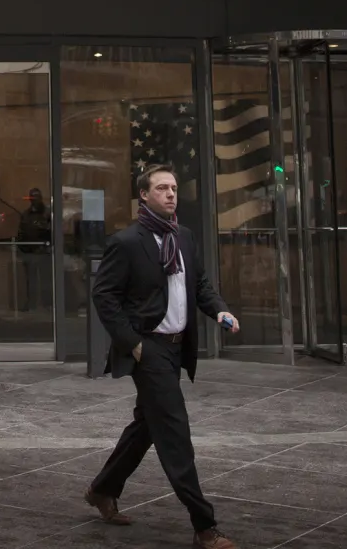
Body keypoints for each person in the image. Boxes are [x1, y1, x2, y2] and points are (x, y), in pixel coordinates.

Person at [84, 163, 241, 549]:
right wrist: (132, 343)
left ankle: (102, 490)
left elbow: (199, 283)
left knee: (148, 425)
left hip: (175, 348)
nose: (171, 194)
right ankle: (204, 525)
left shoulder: (184, 237)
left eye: (173, 188)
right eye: (162, 188)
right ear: (144, 195)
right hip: (148, 348)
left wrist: (219, 309)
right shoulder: (126, 242)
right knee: (174, 433)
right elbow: (104, 295)